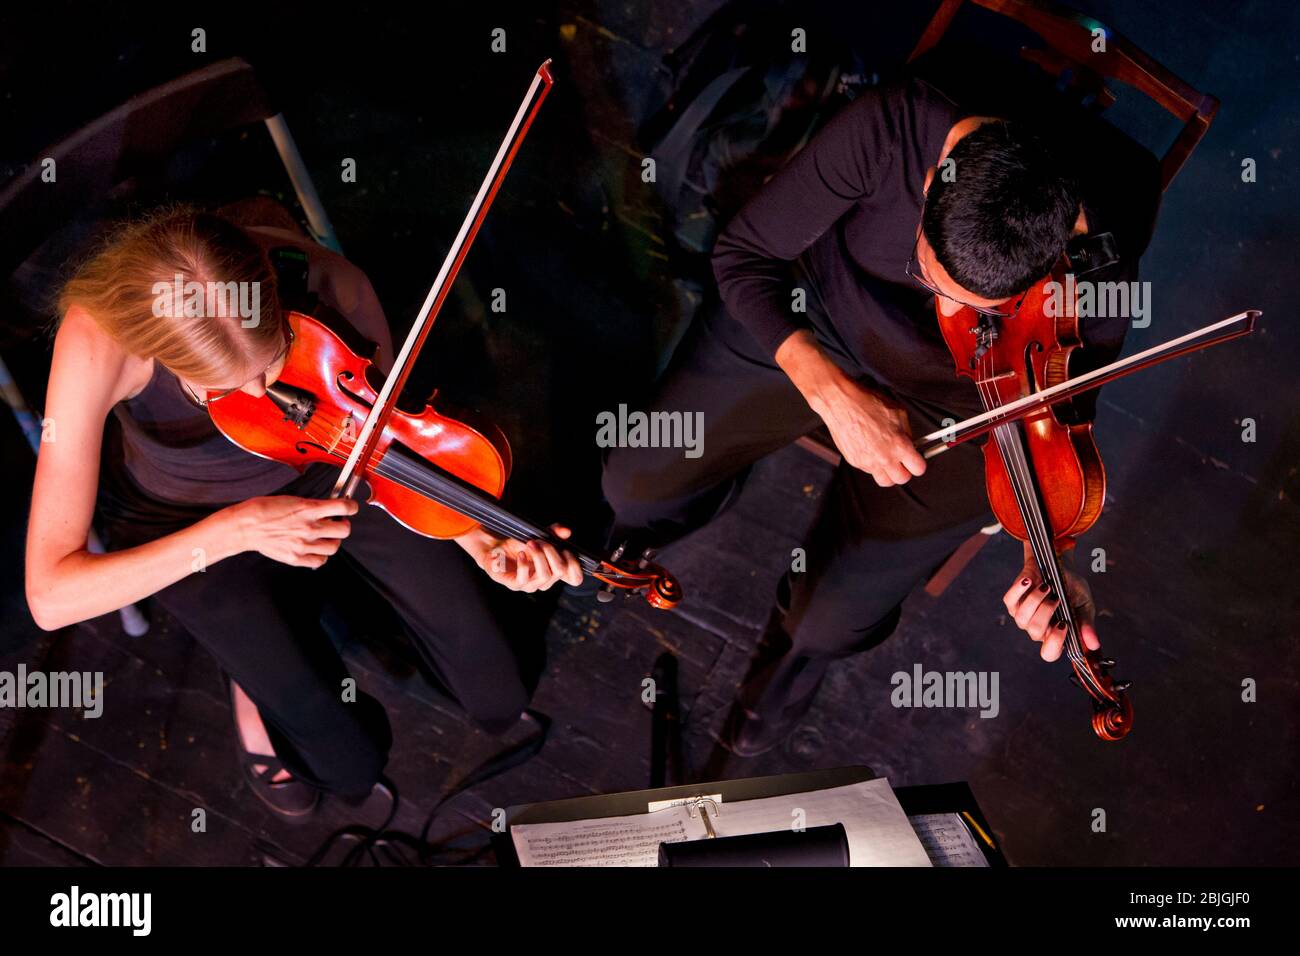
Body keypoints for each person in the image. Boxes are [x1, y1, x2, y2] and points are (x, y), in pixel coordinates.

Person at [602, 75, 1145, 755]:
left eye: (983, 311)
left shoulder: (1100, 266)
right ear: (927, 186)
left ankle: (775, 694)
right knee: (635, 480)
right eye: (929, 278)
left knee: (825, 622)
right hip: (822, 316)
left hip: (967, 396)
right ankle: (651, 532)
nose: (950, 314)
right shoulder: (892, 129)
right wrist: (830, 393)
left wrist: (1053, 559)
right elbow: (743, 256)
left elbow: (1053, 419)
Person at [25, 206, 583, 817]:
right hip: (187, 520)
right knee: (344, 764)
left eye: (271, 364)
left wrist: (476, 536)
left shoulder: (329, 283)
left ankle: (293, 621)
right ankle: (249, 669)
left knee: (499, 689)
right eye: (220, 391)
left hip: (330, 465)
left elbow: (387, 445)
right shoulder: (98, 336)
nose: (260, 397)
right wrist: (236, 530)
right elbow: (50, 597)